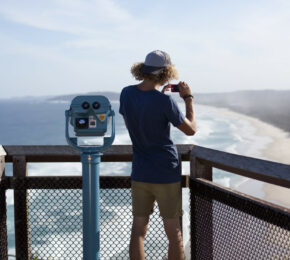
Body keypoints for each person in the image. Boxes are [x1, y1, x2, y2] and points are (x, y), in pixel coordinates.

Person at [119, 50, 196, 260]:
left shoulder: (126, 93)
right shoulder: (165, 102)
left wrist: (158, 101)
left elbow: (134, 123)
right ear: (167, 73)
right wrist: (188, 99)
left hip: (140, 171)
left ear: (143, 69)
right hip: (165, 171)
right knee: (173, 233)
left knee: (138, 231)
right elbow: (191, 130)